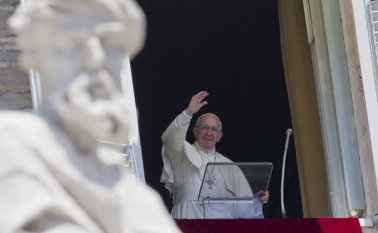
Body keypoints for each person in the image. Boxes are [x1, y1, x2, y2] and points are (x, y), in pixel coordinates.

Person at [0, 0, 181, 232]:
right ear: (35, 54)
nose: (96, 56)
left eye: (109, 44)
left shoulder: (142, 201)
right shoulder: (11, 148)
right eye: (74, 42)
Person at [161, 91, 269, 219]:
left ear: (219, 136)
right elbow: (169, 139)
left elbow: (243, 204)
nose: (209, 133)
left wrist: (256, 200)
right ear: (195, 132)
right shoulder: (182, 152)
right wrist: (188, 113)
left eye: (214, 129)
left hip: (221, 224)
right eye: (205, 128)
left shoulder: (229, 165)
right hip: (189, 218)